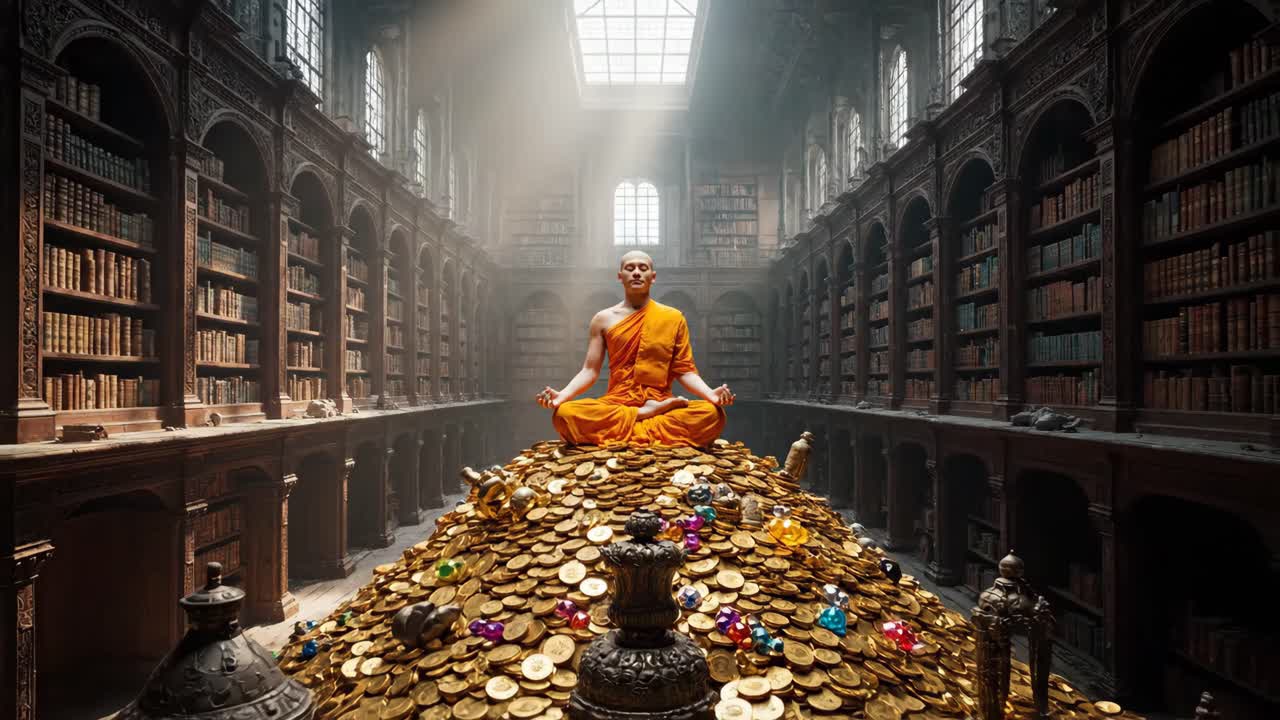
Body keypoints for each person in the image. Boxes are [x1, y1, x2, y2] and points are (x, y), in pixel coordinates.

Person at [536, 251, 734, 446]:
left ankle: (626, 431)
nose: (637, 272)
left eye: (643, 268)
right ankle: (645, 415)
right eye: (630, 268)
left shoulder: (673, 317)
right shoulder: (603, 318)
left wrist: (711, 394)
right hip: (618, 402)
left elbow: (685, 370)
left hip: (660, 399)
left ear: (653, 277)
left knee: (713, 415)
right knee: (564, 414)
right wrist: (562, 395)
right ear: (620, 276)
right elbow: (590, 370)